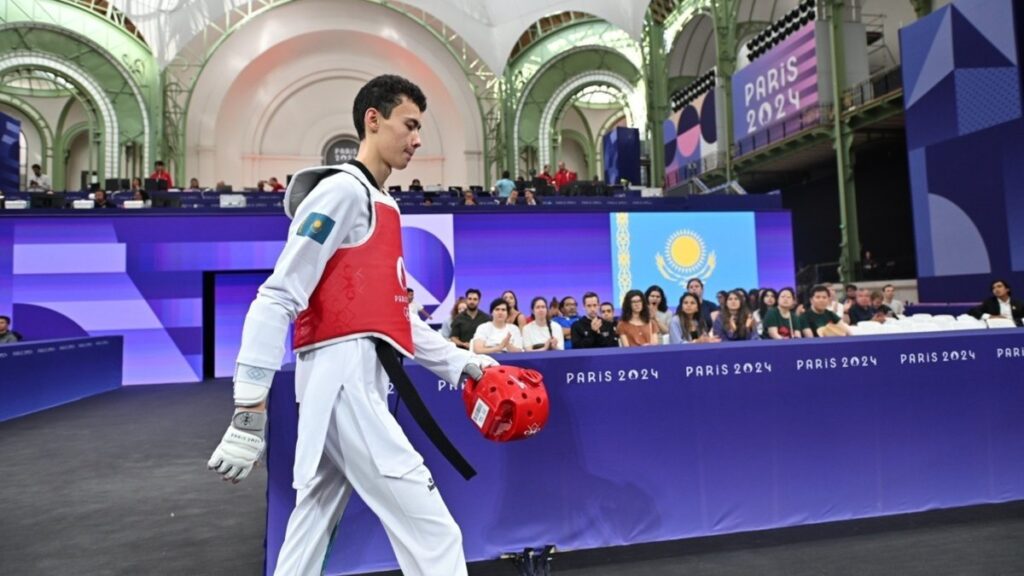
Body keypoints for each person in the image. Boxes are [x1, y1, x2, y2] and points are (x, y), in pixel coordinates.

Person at [206, 75, 496, 576]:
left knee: (312, 528)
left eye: (420, 128)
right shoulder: (341, 192)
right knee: (435, 536)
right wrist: (249, 410)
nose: (417, 139)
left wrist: (465, 364)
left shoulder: (383, 204)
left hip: (356, 383)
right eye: (409, 125)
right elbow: (276, 297)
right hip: (344, 384)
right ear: (373, 120)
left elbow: (395, 316)